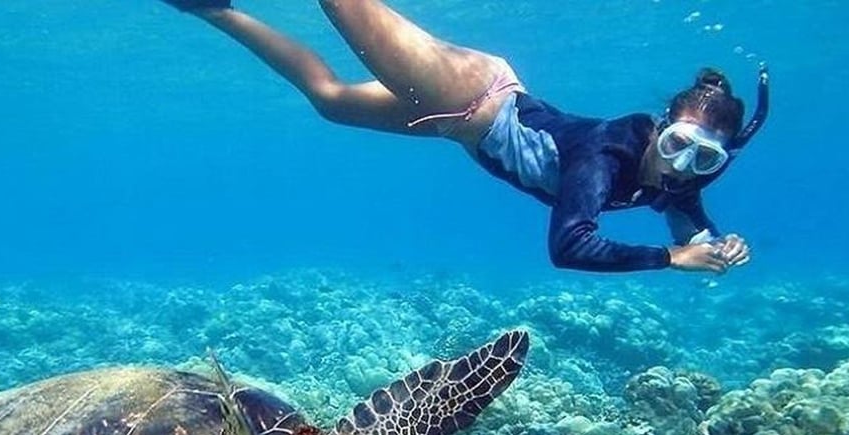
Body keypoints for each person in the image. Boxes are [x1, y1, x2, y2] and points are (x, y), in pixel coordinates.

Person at [160, 0, 769, 274]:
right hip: (469, 95)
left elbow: (687, 215)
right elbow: (570, 247)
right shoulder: (605, 156)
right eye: (678, 144)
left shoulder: (682, 177)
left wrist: (714, 244)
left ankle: (212, 7)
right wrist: (672, 259)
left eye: (704, 157)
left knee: (330, 102)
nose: (683, 167)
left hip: (462, 125)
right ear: (659, 129)